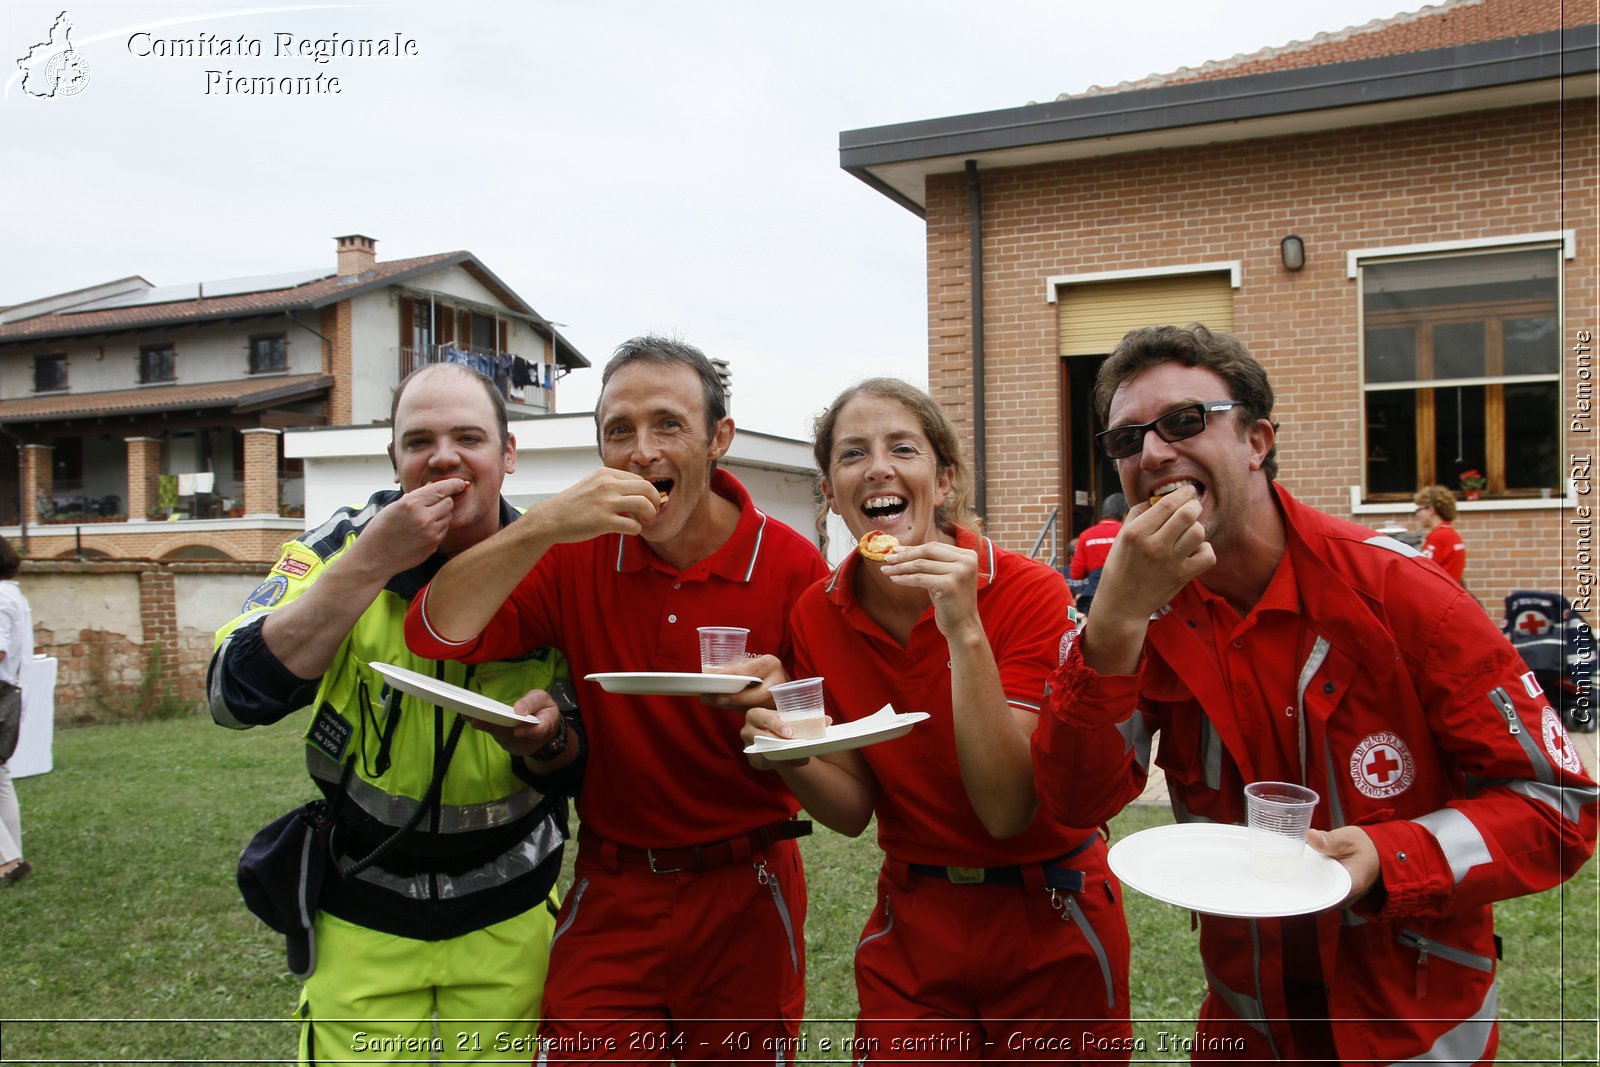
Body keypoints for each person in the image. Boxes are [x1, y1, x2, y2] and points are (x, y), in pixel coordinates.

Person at [1031, 323, 1598, 1063]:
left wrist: (1389, 855)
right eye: (1127, 439)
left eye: (1184, 421)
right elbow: (1073, 801)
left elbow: (1561, 807)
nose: (1154, 452)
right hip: (1247, 1025)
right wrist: (1112, 627)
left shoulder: (1405, 596)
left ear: (1257, 440)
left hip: (1411, 1029)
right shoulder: (1143, 612)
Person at [405, 335, 827, 1062]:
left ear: (718, 438)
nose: (642, 452)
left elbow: (830, 733)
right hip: (614, 881)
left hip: (746, 885)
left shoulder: (787, 561)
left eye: (669, 425)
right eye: (619, 431)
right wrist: (543, 522)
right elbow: (436, 629)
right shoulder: (578, 548)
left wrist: (781, 703)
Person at [740, 378, 1131, 1061]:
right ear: (831, 493)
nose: (878, 467)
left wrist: (963, 629)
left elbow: (1007, 807)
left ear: (943, 479)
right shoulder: (815, 613)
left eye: (903, 447)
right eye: (852, 453)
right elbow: (854, 806)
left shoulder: (1027, 589)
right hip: (915, 918)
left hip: (1051, 907)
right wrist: (788, 748)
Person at [208, 362, 578, 1063]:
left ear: (508, 455)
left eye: (468, 436)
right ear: (395, 459)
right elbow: (232, 692)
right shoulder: (339, 545)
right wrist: (370, 562)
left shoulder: (556, 561)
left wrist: (551, 737)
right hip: (361, 906)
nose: (443, 456)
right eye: (419, 440)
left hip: (512, 908)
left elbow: (592, 740)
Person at [0, 537, 33, 885]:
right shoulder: (14, 595)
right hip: (10, 690)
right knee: (1, 778)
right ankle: (12, 855)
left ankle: (7, 860)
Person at [1068, 492, 1128, 612]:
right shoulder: (1126, 533)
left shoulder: (1085, 535)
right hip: (1123, 595)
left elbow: (1076, 573)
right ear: (1125, 514)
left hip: (1094, 597)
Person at [1414, 484, 1465, 584]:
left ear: (1431, 510)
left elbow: (1420, 570)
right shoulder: (1452, 534)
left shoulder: (1439, 536)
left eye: (1419, 510)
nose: (1418, 514)